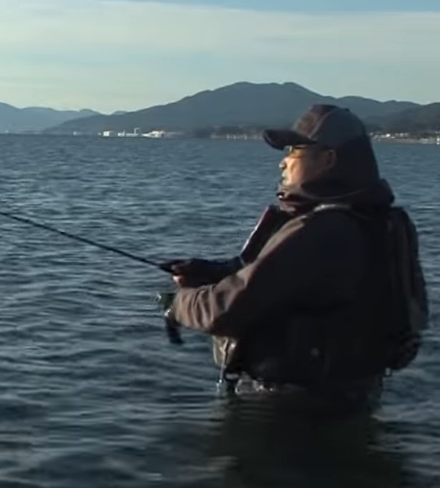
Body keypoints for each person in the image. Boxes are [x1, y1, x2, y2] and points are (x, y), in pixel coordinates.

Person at [160, 104, 429, 409]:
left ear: (328, 160)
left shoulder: (320, 231)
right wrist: (210, 273)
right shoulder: (378, 222)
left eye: (294, 150)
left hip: (287, 410)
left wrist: (178, 303)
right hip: (353, 396)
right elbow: (293, 282)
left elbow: (225, 310)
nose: (283, 162)